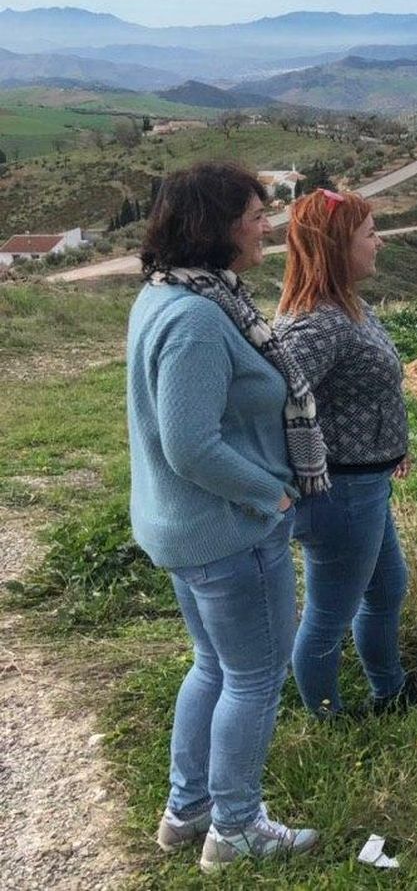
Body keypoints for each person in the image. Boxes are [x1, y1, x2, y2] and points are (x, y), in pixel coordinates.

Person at [126, 162, 319, 872]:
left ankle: (188, 809)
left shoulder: (169, 295)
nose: (263, 225)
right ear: (216, 228)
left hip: (189, 529)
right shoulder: (200, 318)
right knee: (255, 676)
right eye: (252, 215)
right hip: (229, 530)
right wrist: (272, 492)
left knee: (214, 664)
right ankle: (235, 827)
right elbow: (190, 442)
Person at [275, 188, 417, 719]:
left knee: (385, 591)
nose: (379, 242)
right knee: (329, 615)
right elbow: (271, 404)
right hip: (340, 492)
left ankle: (391, 691)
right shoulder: (318, 323)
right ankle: (329, 718)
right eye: (369, 234)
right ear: (338, 246)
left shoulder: (347, 307)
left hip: (366, 483)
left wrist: (390, 447)